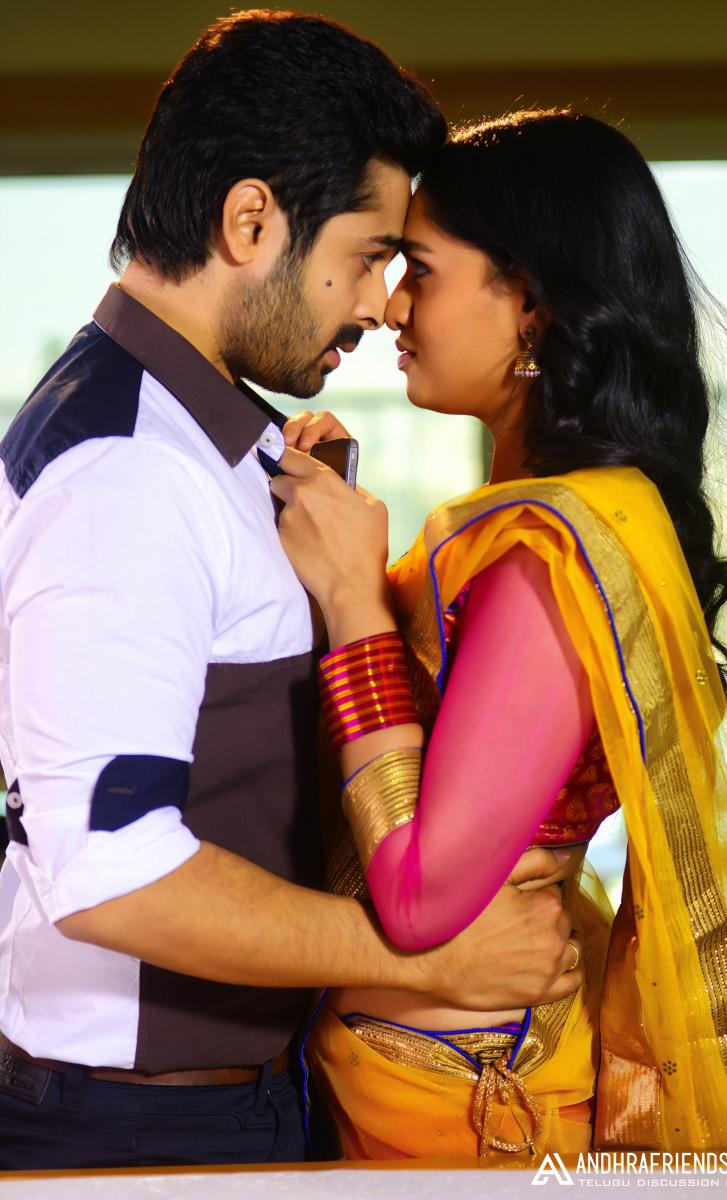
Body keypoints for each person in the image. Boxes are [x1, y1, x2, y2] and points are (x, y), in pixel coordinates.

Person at [0, 24, 584, 1170]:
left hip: (218, 1101)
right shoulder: (130, 473)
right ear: (251, 221)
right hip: (142, 1130)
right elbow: (113, 875)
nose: (379, 305)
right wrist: (427, 959)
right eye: (367, 257)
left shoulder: (196, 436)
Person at [271, 109, 727, 1161]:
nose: (389, 307)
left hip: (460, 1110)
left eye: (422, 270)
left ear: (533, 306)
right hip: (435, 1069)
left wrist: (354, 604)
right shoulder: (547, 527)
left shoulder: (544, 565)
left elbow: (420, 897)